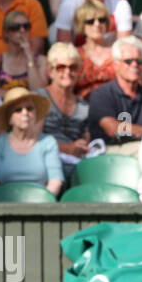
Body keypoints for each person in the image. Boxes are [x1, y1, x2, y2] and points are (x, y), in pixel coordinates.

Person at [86, 36, 142, 156]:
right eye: (128, 61)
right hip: (109, 154)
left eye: (139, 61)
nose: (135, 65)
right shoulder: (101, 94)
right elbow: (112, 129)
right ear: (115, 65)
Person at [0, 88, 63, 195]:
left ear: (35, 115)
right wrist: (1, 204)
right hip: (5, 202)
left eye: (29, 109)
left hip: (40, 203)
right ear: (9, 119)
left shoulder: (48, 142)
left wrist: (44, 204)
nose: (25, 113)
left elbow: (55, 180)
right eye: (18, 110)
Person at [38, 41, 89, 180]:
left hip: (75, 164)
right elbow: (33, 137)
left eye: (72, 67)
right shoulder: (38, 99)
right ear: (50, 72)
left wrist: (82, 147)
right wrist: (67, 148)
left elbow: (86, 139)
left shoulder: (84, 106)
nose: (67, 72)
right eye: (61, 67)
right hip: (43, 162)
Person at [0, 8, 49, 95]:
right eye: (15, 27)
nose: (22, 30)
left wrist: (29, 57)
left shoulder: (41, 61)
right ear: (6, 32)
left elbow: (39, 91)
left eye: (26, 26)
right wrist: (23, 95)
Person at [72, 0, 116, 99]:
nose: (97, 24)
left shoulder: (117, 53)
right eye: (90, 21)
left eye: (101, 20)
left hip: (114, 106)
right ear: (82, 25)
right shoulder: (75, 55)